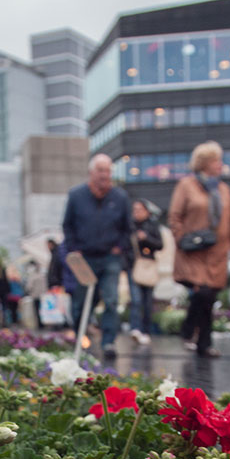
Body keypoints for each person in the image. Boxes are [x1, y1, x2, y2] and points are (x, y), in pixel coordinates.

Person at [169, 141, 230, 358]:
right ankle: (191, 330)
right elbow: (174, 216)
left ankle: (203, 341)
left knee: (208, 298)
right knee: (202, 293)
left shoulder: (223, 190)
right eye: (216, 161)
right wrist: (181, 238)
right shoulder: (186, 186)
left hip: (217, 253)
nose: (221, 165)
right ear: (204, 163)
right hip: (193, 251)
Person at [62, 153, 131, 358]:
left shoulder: (120, 197)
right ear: (91, 172)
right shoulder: (76, 195)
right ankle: (80, 336)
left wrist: (120, 247)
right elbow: (67, 226)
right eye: (101, 170)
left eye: (108, 170)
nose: (105, 175)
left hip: (110, 257)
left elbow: (128, 228)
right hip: (84, 258)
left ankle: (108, 342)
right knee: (81, 302)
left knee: (111, 299)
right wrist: (74, 249)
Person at [128, 199, 163, 345]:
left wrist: (146, 238)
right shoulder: (130, 225)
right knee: (136, 300)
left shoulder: (152, 225)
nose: (137, 213)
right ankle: (135, 328)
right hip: (133, 266)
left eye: (140, 210)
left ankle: (146, 330)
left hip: (148, 267)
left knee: (147, 301)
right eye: (134, 210)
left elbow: (160, 245)